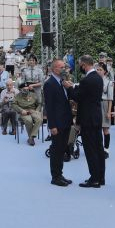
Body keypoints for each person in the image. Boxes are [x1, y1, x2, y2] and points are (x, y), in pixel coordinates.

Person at [74, 55, 105, 188]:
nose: (80, 67)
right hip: (96, 117)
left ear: (84, 65)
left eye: (80, 65)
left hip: (88, 119)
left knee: (90, 149)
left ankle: (94, 179)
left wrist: (70, 88)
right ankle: (101, 177)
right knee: (98, 148)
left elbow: (78, 97)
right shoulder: (98, 77)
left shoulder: (87, 80)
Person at [43, 58, 72, 187]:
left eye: (64, 67)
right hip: (57, 123)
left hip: (65, 121)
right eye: (61, 67)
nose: (64, 69)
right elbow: (49, 106)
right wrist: (52, 125)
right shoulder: (49, 84)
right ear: (54, 69)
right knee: (56, 150)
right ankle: (55, 177)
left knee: (62, 149)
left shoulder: (61, 81)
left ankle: (60, 174)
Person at [15, 81, 42, 146]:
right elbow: (14, 105)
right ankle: (31, 138)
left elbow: (39, 104)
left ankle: (31, 137)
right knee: (28, 120)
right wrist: (21, 111)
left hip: (33, 110)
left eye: (27, 89)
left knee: (39, 119)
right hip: (24, 111)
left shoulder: (33, 94)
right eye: (24, 89)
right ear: (20, 89)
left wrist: (37, 111)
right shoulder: (17, 96)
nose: (26, 90)